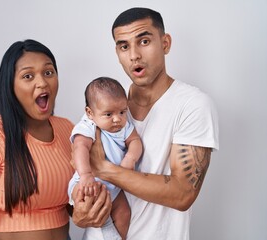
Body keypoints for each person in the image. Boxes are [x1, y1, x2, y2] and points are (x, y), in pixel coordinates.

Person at [72, 7, 219, 240]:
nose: (134, 55)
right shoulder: (105, 105)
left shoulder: (192, 104)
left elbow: (182, 194)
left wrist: (106, 169)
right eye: (124, 46)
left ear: (165, 43)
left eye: (144, 41)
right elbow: (80, 172)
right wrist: (78, 215)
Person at [0, 39, 111, 240]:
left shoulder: (69, 130)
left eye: (48, 72)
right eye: (28, 76)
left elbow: (70, 201)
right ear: (10, 85)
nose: (42, 82)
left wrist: (84, 211)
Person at [68, 77, 143, 240]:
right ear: (90, 113)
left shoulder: (124, 127)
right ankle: (106, 226)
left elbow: (135, 141)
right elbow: (80, 148)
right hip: (87, 181)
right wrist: (86, 175)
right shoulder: (88, 126)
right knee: (90, 203)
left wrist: (130, 157)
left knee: (124, 213)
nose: (117, 119)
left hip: (114, 185)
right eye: (108, 114)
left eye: (122, 112)